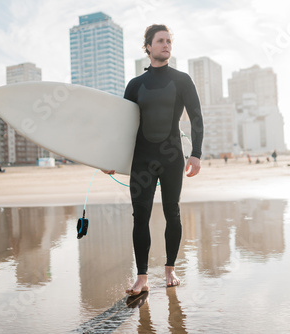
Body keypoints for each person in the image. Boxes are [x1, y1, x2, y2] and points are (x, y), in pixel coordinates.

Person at [104, 24, 203, 295]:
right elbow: (125, 128)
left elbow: (196, 117)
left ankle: (170, 270)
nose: (166, 45)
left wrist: (196, 153)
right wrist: (112, 158)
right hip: (143, 160)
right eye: (160, 41)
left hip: (172, 158)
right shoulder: (136, 85)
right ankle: (142, 277)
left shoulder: (182, 80)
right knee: (141, 217)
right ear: (148, 47)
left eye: (169, 40)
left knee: (173, 212)